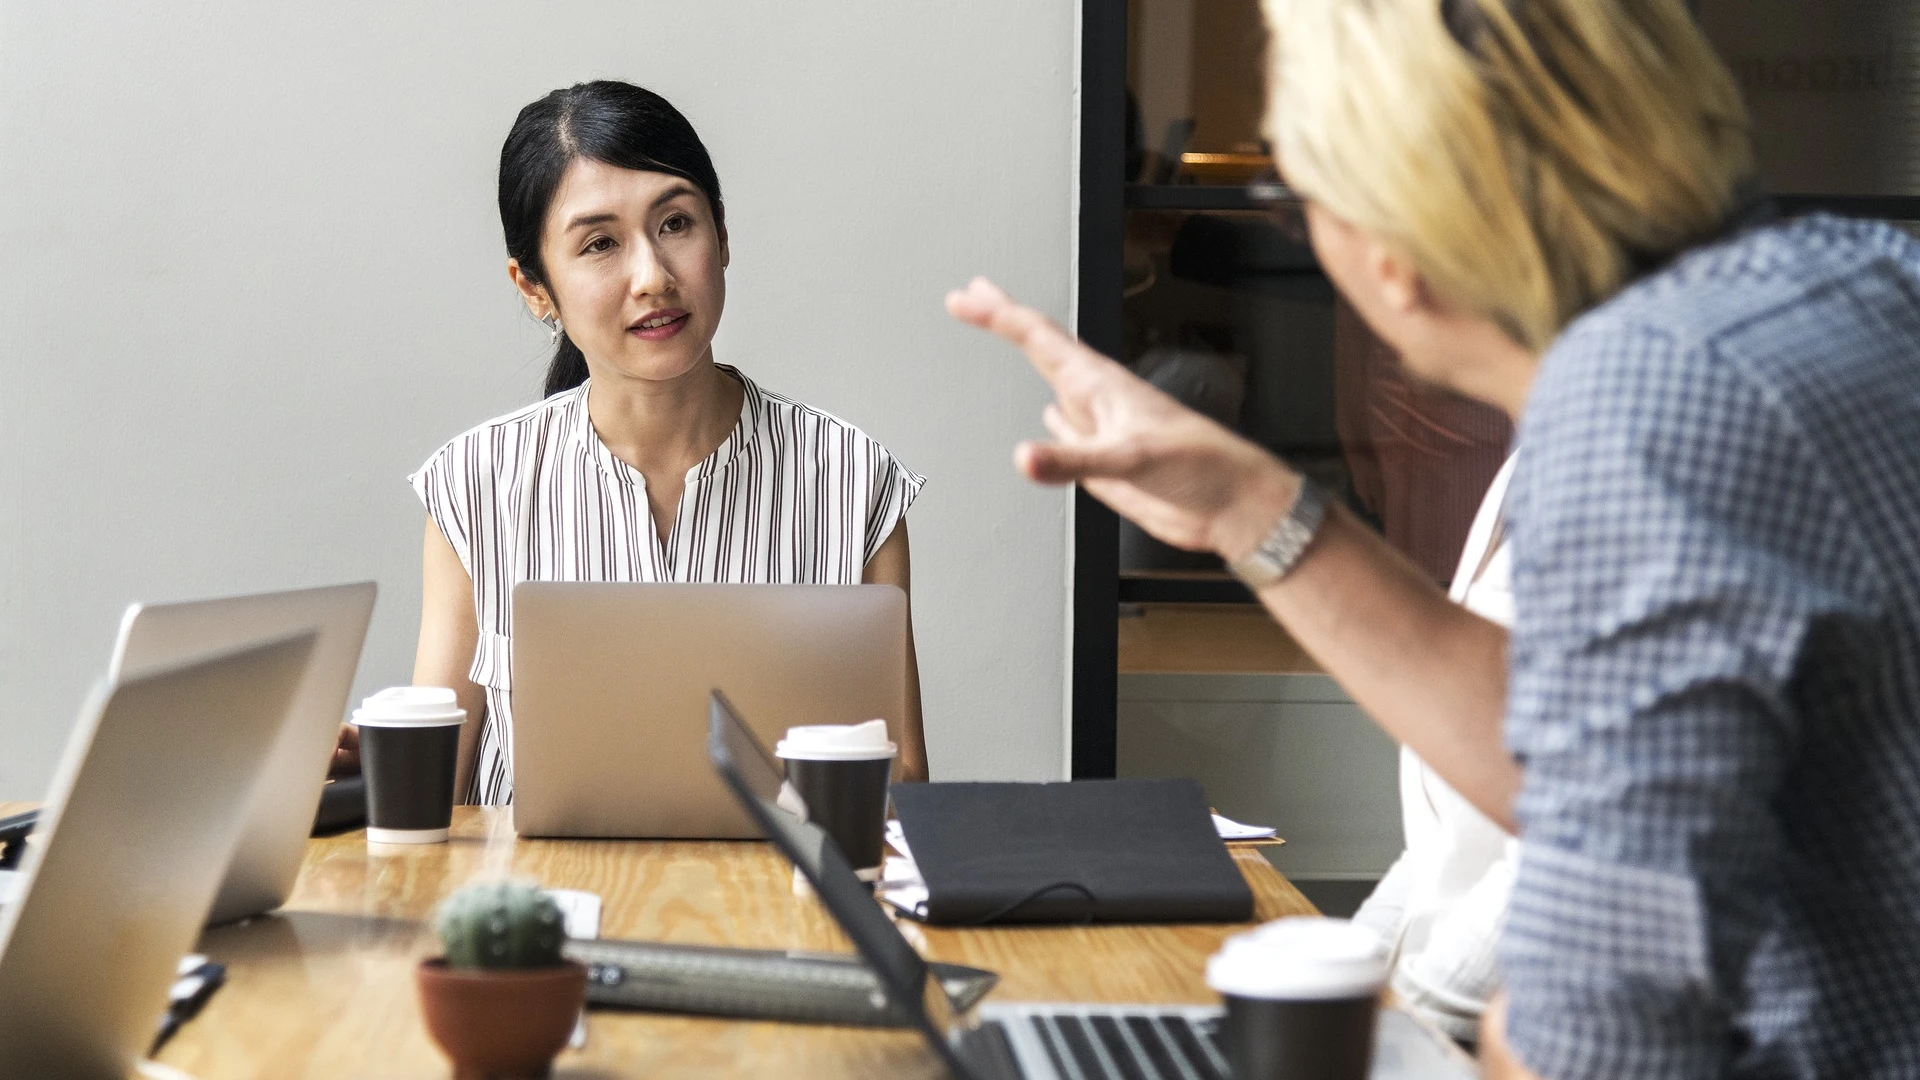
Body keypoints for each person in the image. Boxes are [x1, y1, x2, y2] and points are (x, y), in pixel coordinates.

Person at [949, 0, 1920, 1077]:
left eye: (1296, 191)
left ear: (1393, 251)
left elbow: (1602, 1046)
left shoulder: (1643, 401)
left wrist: (1473, 1032)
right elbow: (1588, 759)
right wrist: (1246, 506)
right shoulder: (1862, 276)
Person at [377, 81, 927, 804]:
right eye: (600, 243)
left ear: (722, 237)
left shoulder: (854, 480)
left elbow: (903, 783)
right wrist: (370, 776)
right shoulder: (474, 484)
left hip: (775, 910)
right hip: (545, 913)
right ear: (535, 287)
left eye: (675, 223)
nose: (653, 277)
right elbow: (433, 792)